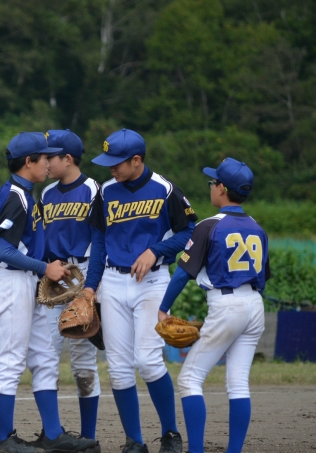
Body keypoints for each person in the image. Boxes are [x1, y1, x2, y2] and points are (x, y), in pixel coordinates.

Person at [0, 132, 100, 453]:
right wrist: (41, 268)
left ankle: (53, 435)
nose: (48, 163)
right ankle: (3, 439)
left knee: (44, 358)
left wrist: (0, 262)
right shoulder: (16, 197)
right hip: (14, 282)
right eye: (43, 158)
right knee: (10, 362)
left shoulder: (22, 193)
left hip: (26, 281)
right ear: (28, 162)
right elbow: (5, 250)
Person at [82, 128, 198, 453]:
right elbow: (99, 241)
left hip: (152, 282)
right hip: (112, 282)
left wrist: (156, 250)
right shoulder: (106, 191)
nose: (111, 169)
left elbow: (190, 232)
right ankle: (135, 441)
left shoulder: (164, 189)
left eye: (117, 163)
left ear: (136, 160)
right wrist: (90, 287)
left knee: (148, 361)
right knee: (119, 369)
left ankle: (171, 434)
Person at [157, 157, 269, 453]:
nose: (211, 187)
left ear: (222, 188)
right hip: (254, 305)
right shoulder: (257, 228)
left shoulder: (209, 225)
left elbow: (182, 273)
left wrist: (163, 309)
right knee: (238, 383)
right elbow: (263, 277)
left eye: (213, 182)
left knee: (190, 379)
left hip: (227, 305)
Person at [39, 130, 101, 444]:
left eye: (50, 156)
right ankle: (51, 432)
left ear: (67, 158)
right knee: (45, 354)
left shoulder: (94, 190)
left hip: (85, 273)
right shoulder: (47, 193)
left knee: (83, 361)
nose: (45, 161)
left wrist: (94, 286)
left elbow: (102, 240)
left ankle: (88, 438)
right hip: (54, 277)